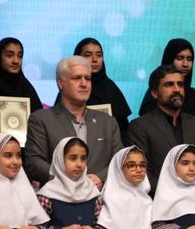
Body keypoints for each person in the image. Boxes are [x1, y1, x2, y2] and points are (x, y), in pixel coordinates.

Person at [25, 56, 123, 189]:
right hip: (58, 196)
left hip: (101, 196)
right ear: (61, 83)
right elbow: (34, 162)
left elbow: (119, 159)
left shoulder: (108, 122)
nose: (84, 84)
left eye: (87, 78)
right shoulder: (41, 119)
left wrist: (102, 177)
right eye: (77, 78)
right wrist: (67, 178)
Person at [127, 65, 195, 194]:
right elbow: (142, 172)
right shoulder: (140, 126)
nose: (177, 89)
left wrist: (194, 194)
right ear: (154, 93)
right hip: (159, 201)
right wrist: (175, 195)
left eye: (180, 84)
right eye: (169, 85)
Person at [55, 38, 132, 144]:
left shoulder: (111, 88)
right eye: (88, 55)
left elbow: (123, 129)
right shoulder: (69, 89)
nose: (95, 59)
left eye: (99, 55)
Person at [138, 38, 195, 118]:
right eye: (180, 58)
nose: (185, 64)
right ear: (169, 59)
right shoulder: (154, 95)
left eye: (189, 59)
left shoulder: (194, 97)